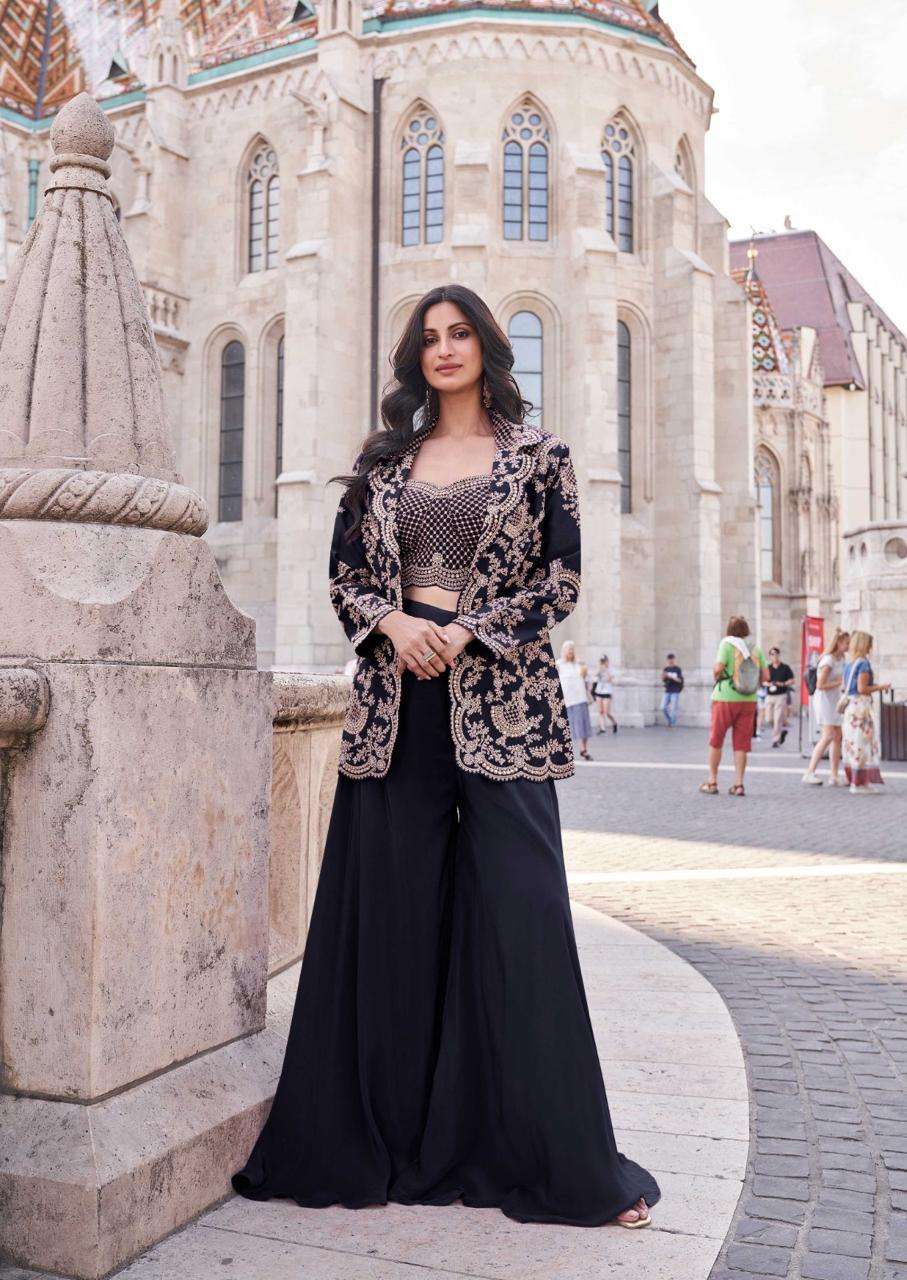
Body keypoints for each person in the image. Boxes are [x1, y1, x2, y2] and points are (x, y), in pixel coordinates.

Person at [232, 284, 658, 1230]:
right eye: (429, 338)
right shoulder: (382, 464)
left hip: (503, 704)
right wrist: (392, 624)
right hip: (394, 707)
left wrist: (467, 630)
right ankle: (385, 1141)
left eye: (460, 333)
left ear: (486, 347)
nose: (445, 349)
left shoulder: (540, 457)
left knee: (523, 916)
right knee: (392, 921)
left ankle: (565, 1164)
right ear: (414, 358)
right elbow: (345, 576)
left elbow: (560, 579)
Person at [700, 616, 768, 797]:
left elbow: (718, 668)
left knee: (716, 739)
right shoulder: (755, 648)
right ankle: (738, 785)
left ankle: (712, 782)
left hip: (725, 698)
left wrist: (718, 675)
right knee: (741, 744)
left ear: (729, 630)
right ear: (746, 630)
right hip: (748, 700)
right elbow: (766, 676)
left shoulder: (726, 644)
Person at [841, 630, 889, 793]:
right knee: (862, 744)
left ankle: (856, 780)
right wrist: (880, 687)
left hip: (851, 708)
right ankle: (859, 783)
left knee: (854, 744)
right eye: (869, 644)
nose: (871, 647)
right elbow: (862, 688)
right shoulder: (863, 664)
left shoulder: (849, 664)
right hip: (861, 709)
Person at [802, 628, 850, 786]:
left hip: (835, 700)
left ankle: (834, 776)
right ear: (839, 643)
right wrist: (839, 682)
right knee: (828, 735)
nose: (849, 646)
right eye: (846, 643)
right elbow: (820, 685)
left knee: (837, 737)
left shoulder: (841, 658)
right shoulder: (828, 660)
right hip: (824, 701)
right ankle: (809, 772)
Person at [557, 641, 593, 761]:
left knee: (583, 725)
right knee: (566, 728)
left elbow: (588, 680)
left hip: (580, 698)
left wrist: (587, 679)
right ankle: (565, 751)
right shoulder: (558, 665)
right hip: (566, 701)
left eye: (572, 649)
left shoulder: (579, 664)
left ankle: (584, 749)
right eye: (568, 649)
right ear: (563, 651)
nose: (570, 652)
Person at [764, 646, 795, 748]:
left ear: (779, 655)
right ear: (770, 656)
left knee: (777, 718)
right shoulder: (768, 668)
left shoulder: (785, 667)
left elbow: (792, 680)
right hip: (770, 695)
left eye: (776, 654)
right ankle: (780, 732)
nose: (774, 656)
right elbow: (763, 680)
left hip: (781, 695)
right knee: (769, 719)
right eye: (772, 654)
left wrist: (783, 683)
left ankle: (775, 740)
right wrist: (769, 684)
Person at [592, 655, 618, 734]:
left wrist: (606, 670)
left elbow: (611, 680)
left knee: (607, 712)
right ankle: (602, 728)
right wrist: (599, 669)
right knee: (600, 711)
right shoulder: (599, 669)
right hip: (599, 691)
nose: (603, 663)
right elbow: (594, 677)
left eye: (604, 661)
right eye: (602, 661)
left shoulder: (611, 669)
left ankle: (614, 723)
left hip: (607, 692)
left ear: (607, 661)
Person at [661, 652, 683, 727]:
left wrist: (671, 677)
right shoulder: (666, 669)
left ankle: (672, 724)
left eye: (672, 659)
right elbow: (663, 679)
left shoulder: (677, 669)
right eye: (669, 659)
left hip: (675, 691)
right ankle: (670, 720)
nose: (671, 660)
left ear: (674, 659)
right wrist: (664, 676)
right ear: (667, 660)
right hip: (667, 690)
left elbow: (680, 680)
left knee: (673, 709)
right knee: (663, 707)